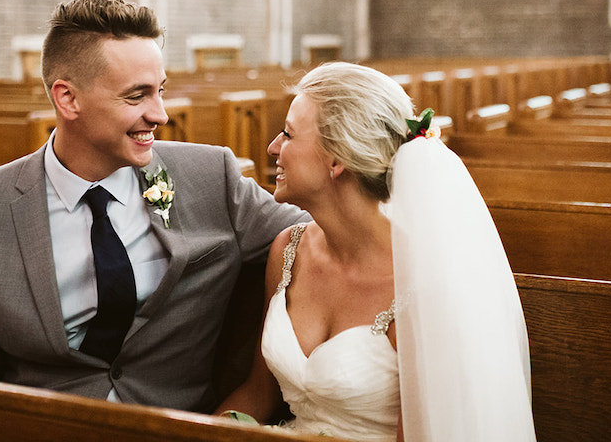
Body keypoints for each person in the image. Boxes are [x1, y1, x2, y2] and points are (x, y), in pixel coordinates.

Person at [0, 0, 306, 412]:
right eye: (136, 96)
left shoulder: (210, 176)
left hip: (181, 427)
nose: (160, 114)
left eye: (160, 91)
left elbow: (326, 238)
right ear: (67, 99)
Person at [217, 62, 536, 441]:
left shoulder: (428, 286)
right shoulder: (289, 251)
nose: (273, 147)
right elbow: (257, 395)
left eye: (288, 134)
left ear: (337, 159)